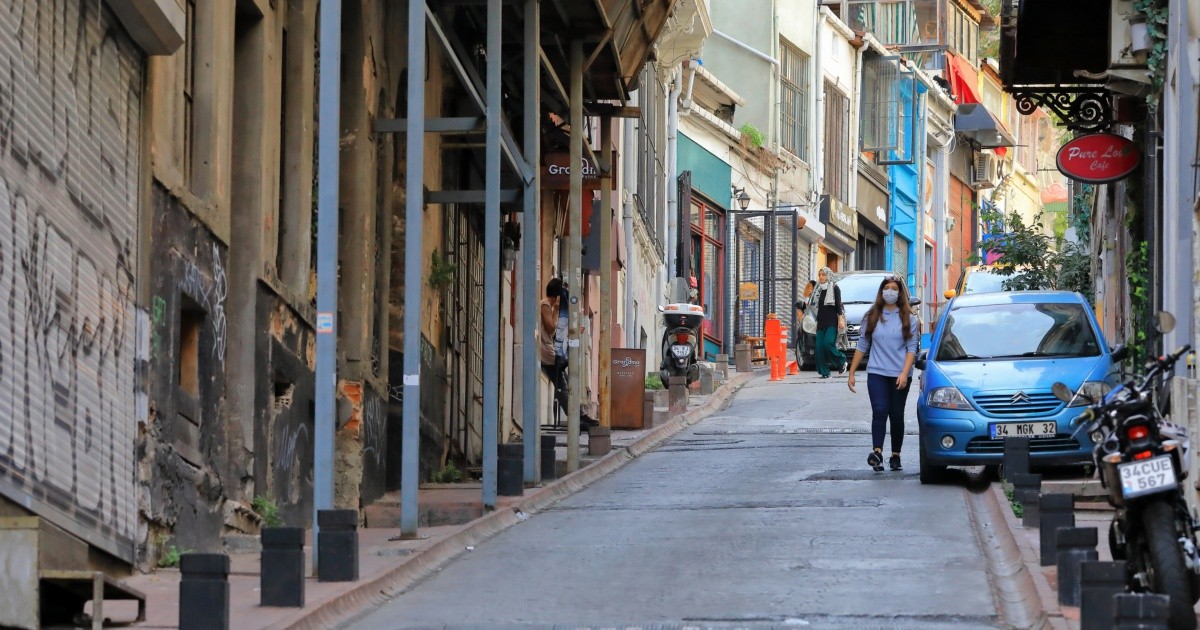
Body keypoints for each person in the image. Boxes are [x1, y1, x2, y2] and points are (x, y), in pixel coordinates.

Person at [846, 274, 919, 472]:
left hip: (900, 374)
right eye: (887, 288)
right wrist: (851, 372)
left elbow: (912, 348)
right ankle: (877, 453)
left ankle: (896, 455)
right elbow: (862, 345)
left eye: (894, 289)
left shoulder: (909, 318)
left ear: (900, 293)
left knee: (896, 415)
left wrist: (904, 374)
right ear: (881, 292)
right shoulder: (872, 316)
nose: (890, 292)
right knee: (879, 411)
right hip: (877, 372)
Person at [539, 278, 568, 417]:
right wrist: (556, 310)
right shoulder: (545, 305)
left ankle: (577, 414)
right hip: (545, 353)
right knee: (562, 384)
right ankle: (574, 415)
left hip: (548, 351)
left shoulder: (547, 306)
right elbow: (551, 329)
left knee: (564, 380)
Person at [812, 267, 846, 379]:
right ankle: (825, 372)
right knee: (819, 348)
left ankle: (841, 361)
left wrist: (840, 319)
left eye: (823, 274)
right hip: (821, 322)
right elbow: (815, 305)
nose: (821, 277)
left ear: (828, 276)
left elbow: (838, 305)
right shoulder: (818, 290)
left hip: (831, 322)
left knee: (827, 344)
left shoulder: (835, 288)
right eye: (820, 274)